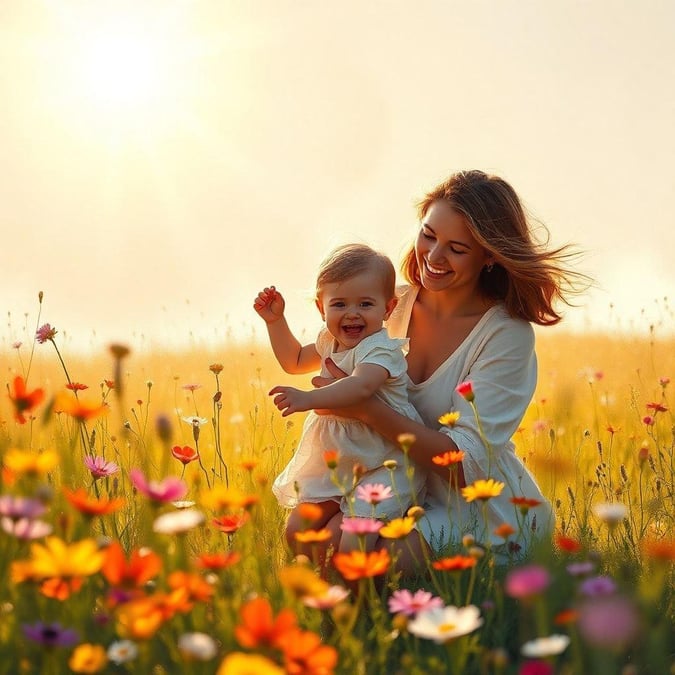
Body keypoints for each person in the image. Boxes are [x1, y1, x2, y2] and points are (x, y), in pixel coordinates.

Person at [308, 170, 588, 571]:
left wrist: (365, 408)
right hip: (386, 484)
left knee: (388, 558)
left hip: (472, 505)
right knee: (318, 538)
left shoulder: (506, 334)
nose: (434, 257)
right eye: (428, 235)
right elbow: (328, 374)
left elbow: (461, 468)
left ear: (489, 255)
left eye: (456, 248)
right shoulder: (388, 305)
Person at [254, 243, 427, 554]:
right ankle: (319, 592)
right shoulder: (328, 341)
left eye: (365, 304)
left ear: (388, 309)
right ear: (322, 308)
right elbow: (293, 360)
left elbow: (360, 387)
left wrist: (309, 398)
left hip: (385, 462)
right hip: (340, 461)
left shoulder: (381, 349)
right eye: (339, 304)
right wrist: (275, 321)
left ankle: (362, 600)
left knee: (352, 543)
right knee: (297, 530)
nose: (352, 314)